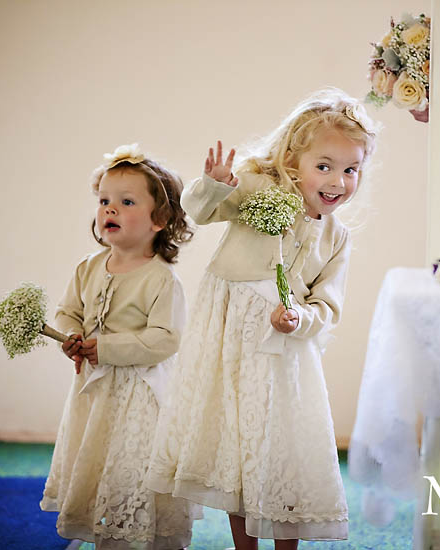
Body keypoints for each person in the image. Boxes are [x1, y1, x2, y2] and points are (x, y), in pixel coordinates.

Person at [148, 89, 379, 549]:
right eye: (324, 166)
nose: (337, 181)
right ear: (293, 159)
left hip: (282, 357)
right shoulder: (258, 187)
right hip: (230, 345)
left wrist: (299, 317)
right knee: (238, 452)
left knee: (279, 451)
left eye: (351, 169)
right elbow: (202, 210)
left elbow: (327, 306)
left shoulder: (336, 237)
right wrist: (214, 184)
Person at [40, 144, 200, 549]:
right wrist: (70, 337)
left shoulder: (161, 279)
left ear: (160, 219)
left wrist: (107, 348)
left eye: (126, 202)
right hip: (94, 391)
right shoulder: (88, 267)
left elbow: (166, 339)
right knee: (96, 457)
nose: (110, 209)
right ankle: (104, 530)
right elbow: (67, 312)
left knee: (132, 464)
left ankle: (148, 533)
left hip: (139, 397)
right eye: (104, 201)